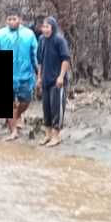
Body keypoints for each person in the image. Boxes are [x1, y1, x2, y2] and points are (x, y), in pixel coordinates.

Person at [0, 7, 39, 141]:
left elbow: (35, 54)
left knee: (26, 100)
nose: (12, 22)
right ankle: (13, 131)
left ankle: (16, 116)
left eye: (14, 19)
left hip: (25, 74)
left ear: (20, 19)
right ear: (6, 20)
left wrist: (38, 72)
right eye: (9, 19)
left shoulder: (29, 34)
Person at [37, 16, 71, 147]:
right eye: (43, 27)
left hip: (57, 80)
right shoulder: (41, 40)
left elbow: (66, 59)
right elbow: (40, 60)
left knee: (56, 107)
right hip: (45, 78)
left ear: (53, 27)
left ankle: (56, 136)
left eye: (47, 27)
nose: (45, 30)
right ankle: (47, 135)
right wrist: (39, 77)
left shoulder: (59, 40)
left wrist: (61, 76)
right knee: (46, 108)